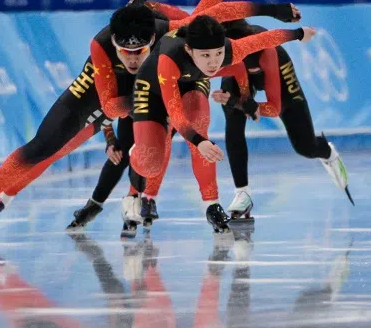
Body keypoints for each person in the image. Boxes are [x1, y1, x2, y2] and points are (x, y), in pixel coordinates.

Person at [0, 0, 297, 228]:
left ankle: (140, 193)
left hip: (162, 80)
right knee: (48, 148)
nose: (130, 57)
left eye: (137, 50)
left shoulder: (171, 30)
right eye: (124, 51)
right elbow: (110, 107)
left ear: (152, 38)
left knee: (179, 125)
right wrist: (135, 115)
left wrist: (272, 6)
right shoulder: (101, 45)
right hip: (106, 91)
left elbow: (211, 10)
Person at [124, 15, 316, 236]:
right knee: (152, 159)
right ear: (189, 50)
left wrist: (300, 33)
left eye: (218, 54)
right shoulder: (170, 56)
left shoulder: (230, 50)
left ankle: (212, 204)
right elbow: (176, 114)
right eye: (206, 55)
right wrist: (198, 141)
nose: (213, 62)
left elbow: (267, 39)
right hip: (154, 87)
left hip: (193, 80)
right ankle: (136, 171)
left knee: (200, 121)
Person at [211, 19, 352, 220]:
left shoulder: (268, 52)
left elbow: (274, 108)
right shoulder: (221, 51)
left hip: (275, 70)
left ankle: (323, 149)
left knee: (304, 147)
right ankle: (242, 192)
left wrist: (242, 103)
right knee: (232, 117)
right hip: (237, 73)